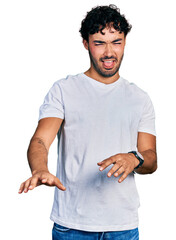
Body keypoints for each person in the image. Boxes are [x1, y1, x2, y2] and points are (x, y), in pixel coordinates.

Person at [19, 4, 157, 240]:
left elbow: (151, 158)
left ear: (124, 43)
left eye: (116, 42)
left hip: (122, 227)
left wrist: (134, 158)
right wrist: (40, 169)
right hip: (72, 226)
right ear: (86, 43)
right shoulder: (63, 90)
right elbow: (41, 139)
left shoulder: (140, 98)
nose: (109, 52)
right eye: (99, 43)